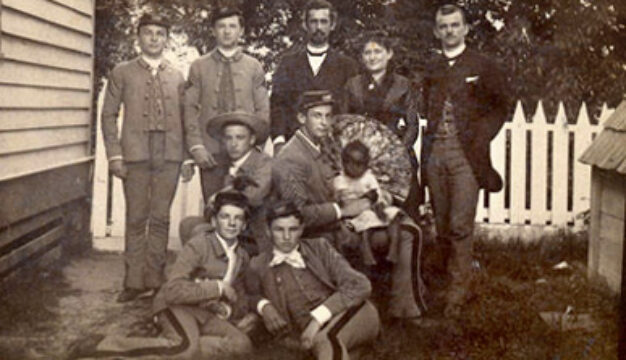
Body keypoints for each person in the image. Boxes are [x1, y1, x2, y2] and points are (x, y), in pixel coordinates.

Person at [273, 90, 424, 323]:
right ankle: (396, 307)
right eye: (317, 116)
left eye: (328, 116)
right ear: (301, 118)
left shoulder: (320, 146)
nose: (324, 123)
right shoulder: (292, 157)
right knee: (406, 232)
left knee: (405, 228)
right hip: (320, 236)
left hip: (342, 223)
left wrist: (368, 196)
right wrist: (342, 210)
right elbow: (296, 215)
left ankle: (402, 305)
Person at [67, 192, 255, 360]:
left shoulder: (242, 256)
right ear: (214, 221)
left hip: (207, 313)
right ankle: (104, 345)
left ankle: (172, 346)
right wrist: (217, 288)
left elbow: (238, 290)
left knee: (242, 345)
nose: (231, 223)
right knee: (184, 349)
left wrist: (230, 309)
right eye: (225, 217)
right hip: (177, 306)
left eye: (238, 218)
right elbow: (173, 290)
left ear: (245, 224)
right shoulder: (199, 246)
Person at [100, 13, 200, 303]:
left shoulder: (177, 75)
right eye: (148, 33)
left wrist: (186, 158)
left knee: (159, 217)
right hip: (135, 153)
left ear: (167, 39)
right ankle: (133, 281)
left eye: (160, 33)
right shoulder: (122, 71)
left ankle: (155, 279)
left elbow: (186, 118)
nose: (154, 38)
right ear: (139, 37)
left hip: (168, 153)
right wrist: (115, 154)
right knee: (136, 217)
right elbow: (108, 115)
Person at [421, 4, 510, 318]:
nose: (449, 31)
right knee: (442, 227)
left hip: (466, 155)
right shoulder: (431, 66)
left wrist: (481, 136)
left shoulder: (482, 64)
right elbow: (426, 109)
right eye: (443, 26)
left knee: (460, 225)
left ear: (465, 29)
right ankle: (452, 283)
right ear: (436, 31)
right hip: (435, 154)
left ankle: (456, 298)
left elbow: (501, 106)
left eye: (455, 25)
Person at [246, 202, 380, 360]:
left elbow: (360, 285)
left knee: (325, 340)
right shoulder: (258, 265)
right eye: (279, 230)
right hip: (309, 337)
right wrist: (263, 306)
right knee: (324, 346)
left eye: (293, 229)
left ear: (301, 229)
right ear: (268, 231)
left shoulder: (319, 248)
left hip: (353, 312)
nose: (287, 237)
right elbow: (249, 294)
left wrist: (316, 321)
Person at [184, 6, 270, 202]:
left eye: (232, 26)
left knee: (245, 205)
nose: (227, 31)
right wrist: (196, 146)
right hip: (211, 151)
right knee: (214, 205)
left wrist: (257, 144)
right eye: (221, 26)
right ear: (213, 31)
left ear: (241, 31)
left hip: (245, 151)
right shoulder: (199, 66)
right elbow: (189, 109)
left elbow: (262, 110)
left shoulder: (253, 66)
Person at [342, 32, 422, 221]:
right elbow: (345, 123)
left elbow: (413, 124)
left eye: (377, 51)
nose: (372, 57)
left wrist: (397, 153)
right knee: (366, 211)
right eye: (367, 53)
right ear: (362, 57)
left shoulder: (403, 84)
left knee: (404, 211)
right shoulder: (353, 85)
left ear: (389, 54)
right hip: (362, 156)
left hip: (397, 154)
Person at [179, 111, 273, 252]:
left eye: (240, 138)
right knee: (188, 224)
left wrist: (219, 196)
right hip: (229, 225)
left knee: (201, 231)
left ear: (252, 139)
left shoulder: (264, 163)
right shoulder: (221, 164)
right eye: (228, 138)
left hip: (254, 231)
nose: (233, 144)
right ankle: (210, 269)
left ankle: (223, 269)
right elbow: (210, 209)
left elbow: (252, 197)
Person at [270, 0, 358, 148]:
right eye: (313, 22)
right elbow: (277, 105)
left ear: (332, 25)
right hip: (295, 144)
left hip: (335, 147)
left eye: (324, 22)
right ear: (305, 25)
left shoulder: (348, 65)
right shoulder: (288, 64)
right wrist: (279, 140)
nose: (318, 27)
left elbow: (354, 110)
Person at [333, 140, 402, 266]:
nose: (356, 168)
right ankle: (366, 251)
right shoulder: (339, 180)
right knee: (366, 220)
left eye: (361, 164)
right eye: (352, 163)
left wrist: (379, 203)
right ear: (344, 164)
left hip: (374, 209)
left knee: (395, 214)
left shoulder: (368, 177)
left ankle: (394, 248)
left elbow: (378, 194)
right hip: (355, 215)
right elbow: (336, 201)